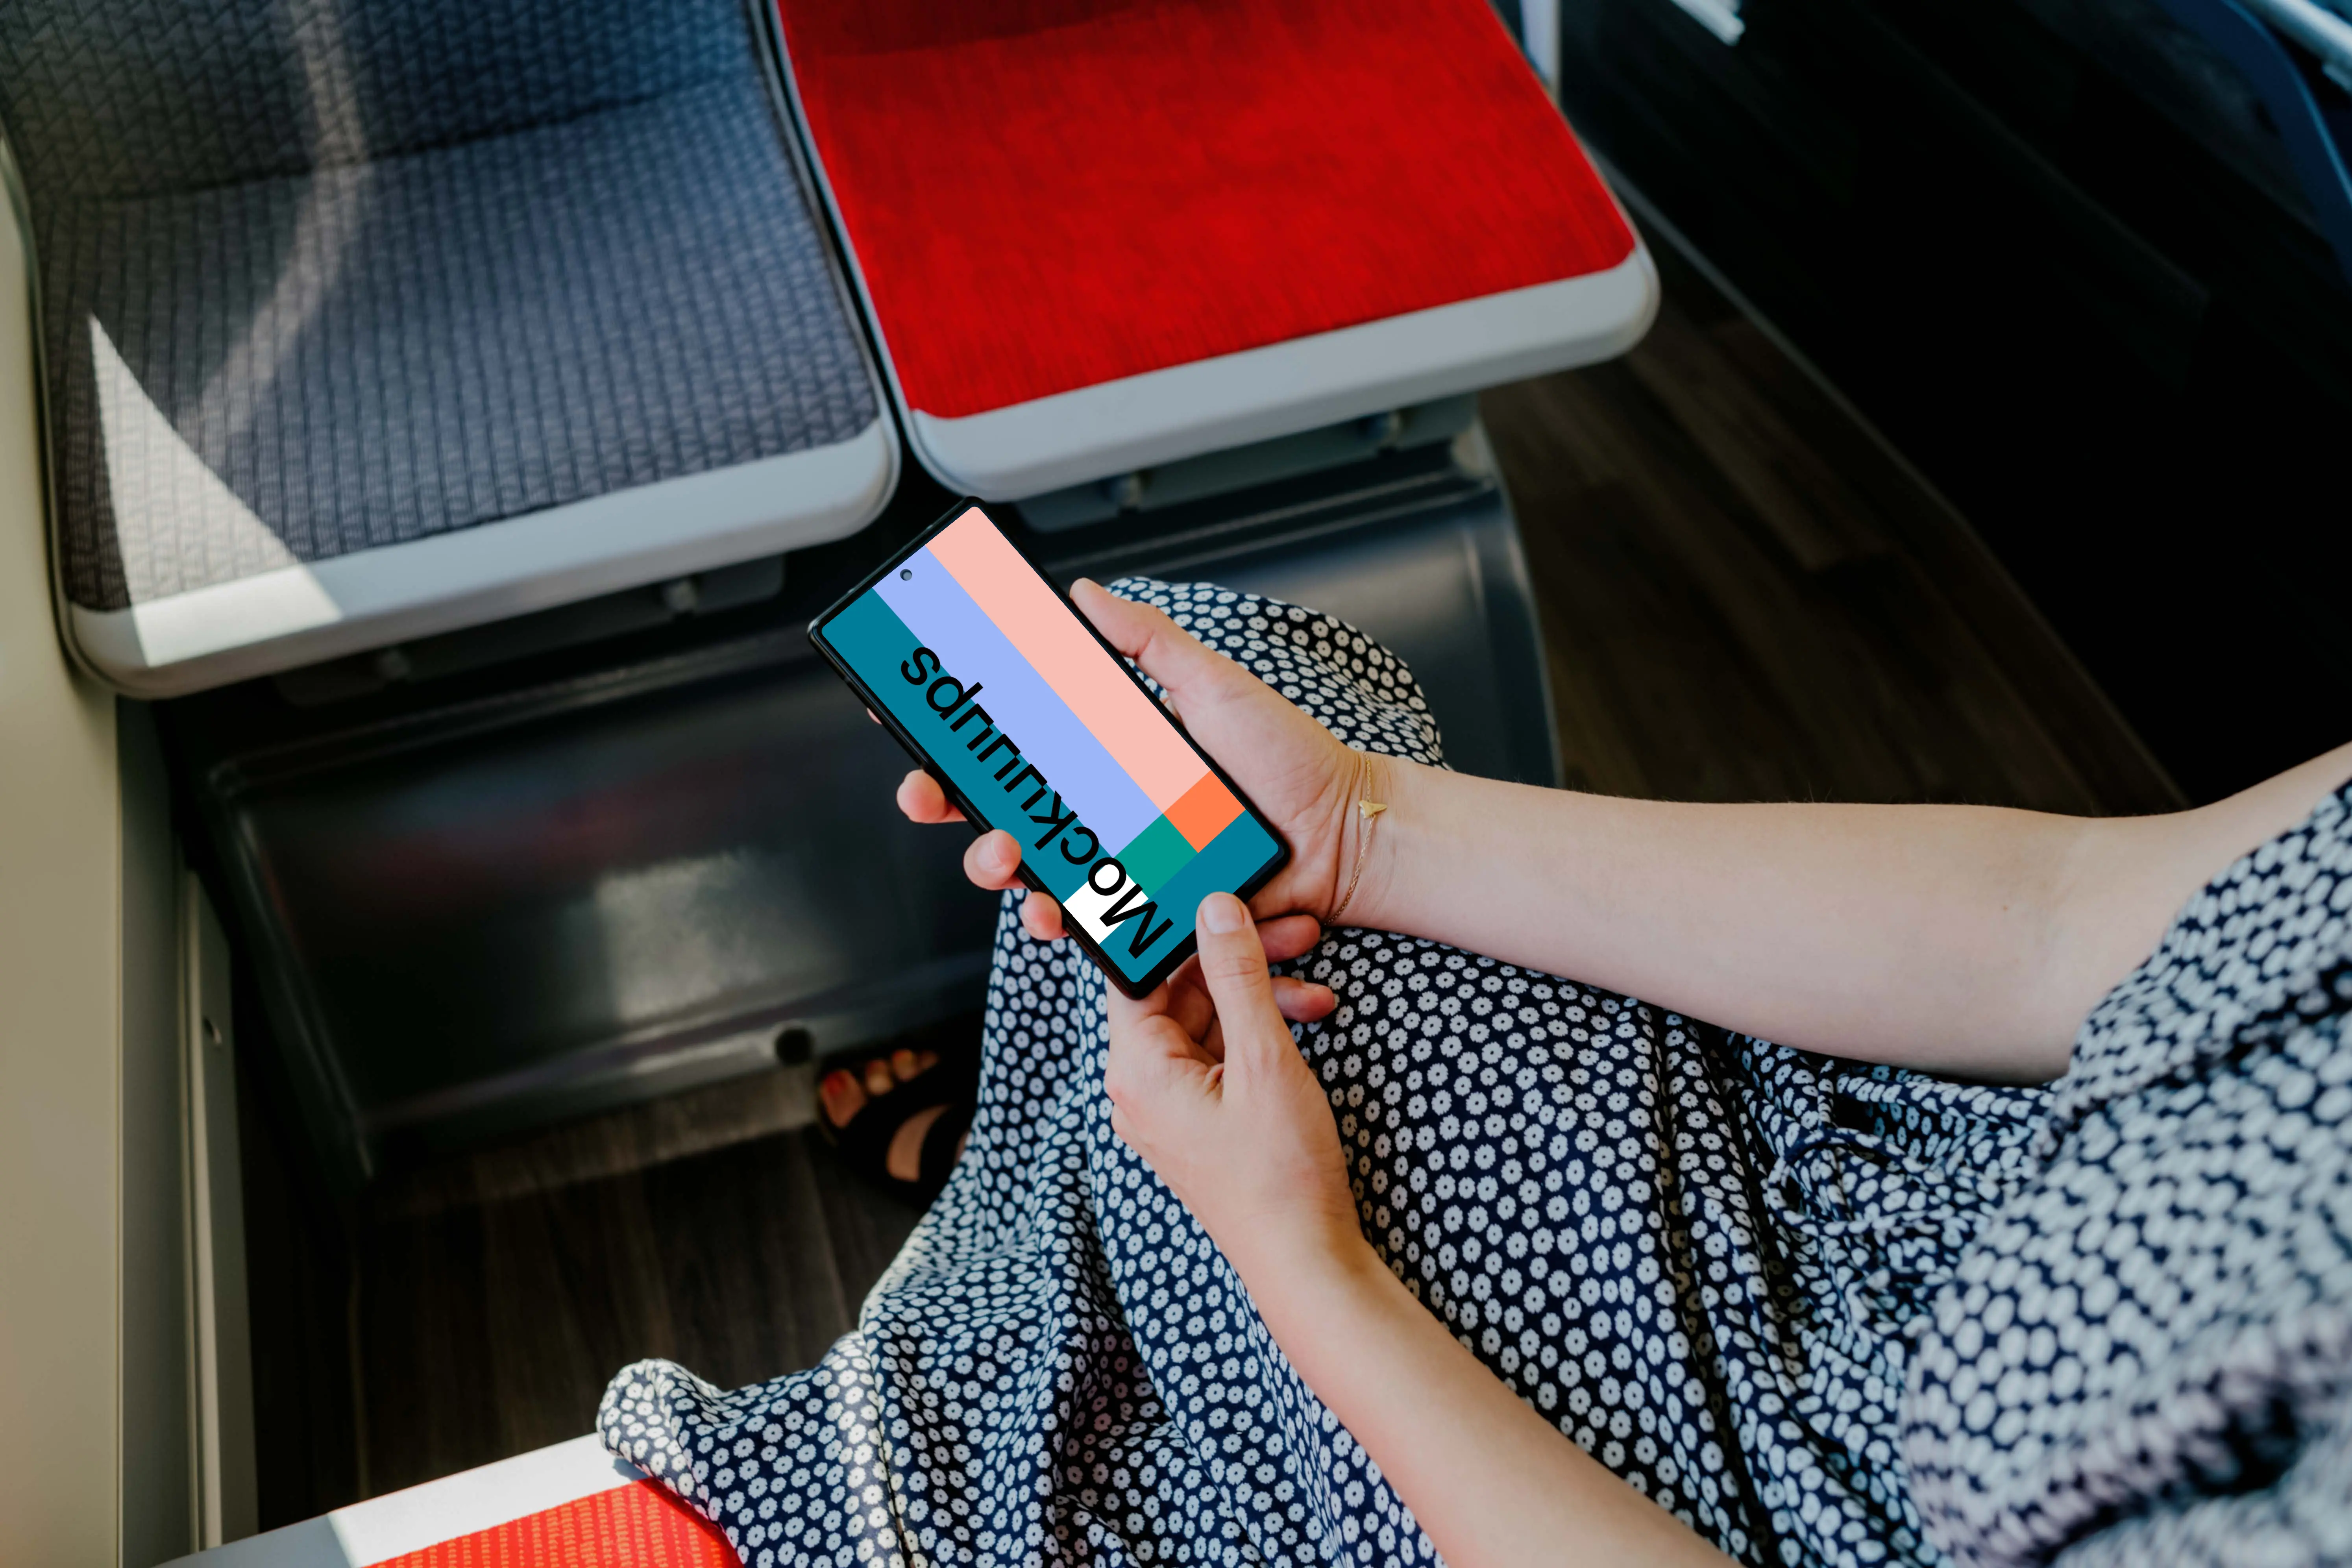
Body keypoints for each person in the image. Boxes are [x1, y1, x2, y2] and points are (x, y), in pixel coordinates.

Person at [605, 578, 2352, 1568]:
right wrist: (1368, 830)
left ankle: (1077, 1177)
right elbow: (2064, 925)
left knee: (1184, 1055)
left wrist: (1312, 1268)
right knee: (1247, 728)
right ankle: (1090, 1166)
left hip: (1763, 1512)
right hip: (1890, 1177)